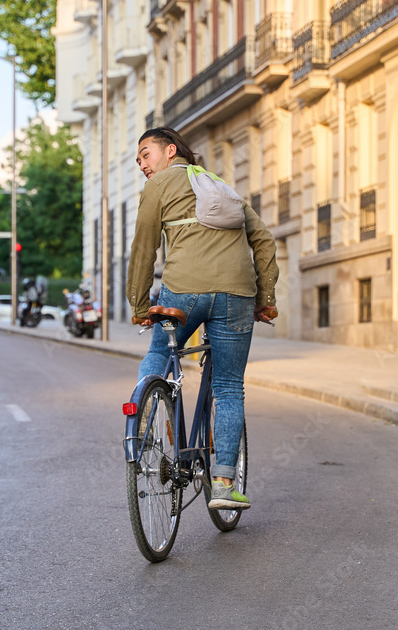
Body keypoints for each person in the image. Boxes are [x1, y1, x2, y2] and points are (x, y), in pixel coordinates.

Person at [127, 127, 278, 511]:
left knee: (161, 351)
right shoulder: (222, 186)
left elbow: (143, 247)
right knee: (228, 387)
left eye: (146, 154)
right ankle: (224, 484)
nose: (142, 165)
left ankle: (143, 419)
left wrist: (139, 305)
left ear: (170, 151)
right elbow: (263, 240)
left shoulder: (160, 185)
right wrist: (265, 299)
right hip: (237, 296)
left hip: (184, 292)